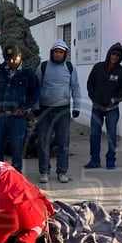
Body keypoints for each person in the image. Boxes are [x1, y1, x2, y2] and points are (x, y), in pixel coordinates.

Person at [34, 40, 82, 184]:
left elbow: (76, 88)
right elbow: (35, 89)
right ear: (52, 53)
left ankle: (62, 171)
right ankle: (44, 171)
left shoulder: (70, 67)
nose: (58, 54)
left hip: (63, 110)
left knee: (63, 142)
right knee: (43, 141)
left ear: (65, 54)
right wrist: (35, 107)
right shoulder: (43, 67)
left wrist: (77, 107)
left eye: (61, 52)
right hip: (45, 110)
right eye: (56, 52)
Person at [0, 43, 39, 173]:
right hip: (0, 116)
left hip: (17, 117)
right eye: (7, 59)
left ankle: (16, 175)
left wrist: (24, 108)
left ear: (20, 56)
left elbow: (35, 94)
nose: (11, 62)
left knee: (17, 148)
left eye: (14, 59)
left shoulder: (28, 73)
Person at [85, 41, 122, 170]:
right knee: (94, 135)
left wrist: (115, 100)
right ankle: (94, 160)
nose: (115, 57)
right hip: (97, 108)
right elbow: (90, 84)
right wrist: (94, 99)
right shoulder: (98, 67)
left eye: (118, 55)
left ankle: (111, 160)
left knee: (111, 135)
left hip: (112, 109)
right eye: (113, 54)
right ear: (109, 54)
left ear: (120, 57)